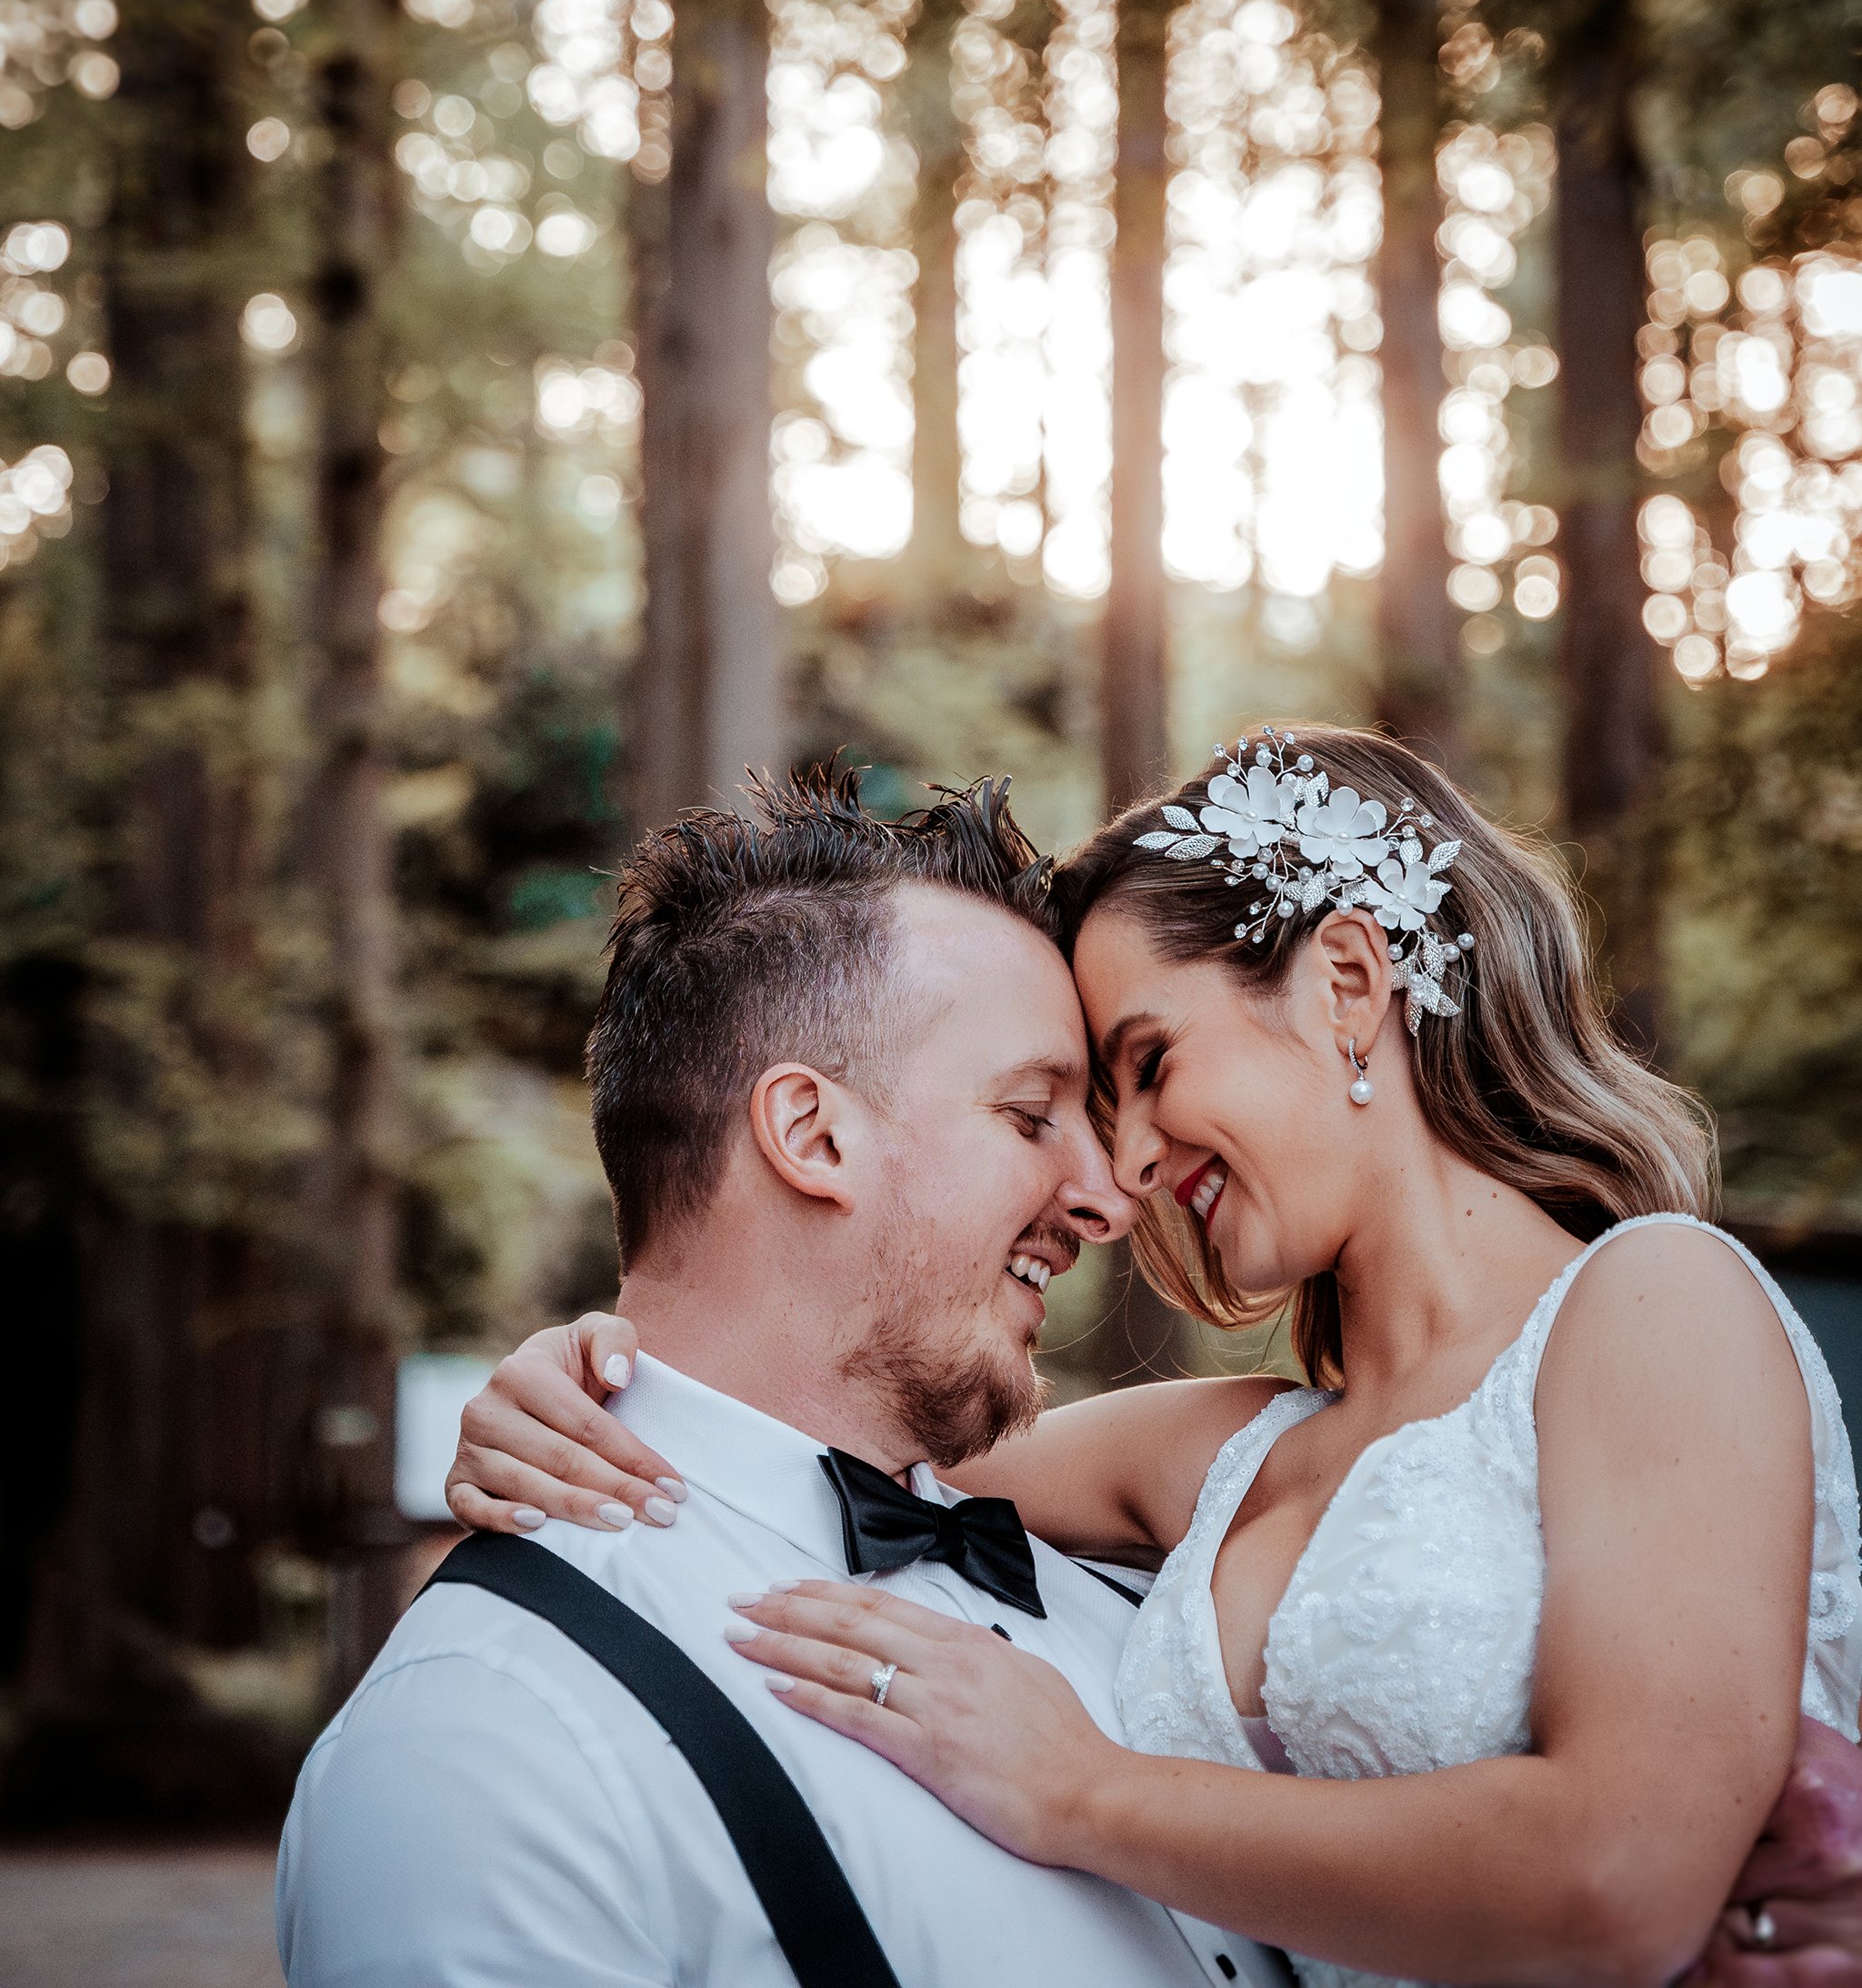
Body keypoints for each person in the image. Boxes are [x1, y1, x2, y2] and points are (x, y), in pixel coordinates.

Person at [450, 730, 1862, 1988]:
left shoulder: (1659, 1304)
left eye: (1148, 1064)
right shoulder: (1226, 1452)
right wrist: (582, 1375)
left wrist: (1083, 1793)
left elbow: (1615, 1886)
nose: (1121, 1170)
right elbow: (825, 1408)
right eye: (1077, 1103)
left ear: (1350, 985)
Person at [276, 771, 1283, 1988]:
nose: (1108, 1198)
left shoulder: (1143, 1586)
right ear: (812, 1136)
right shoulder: (484, 1740)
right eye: (1030, 1114)